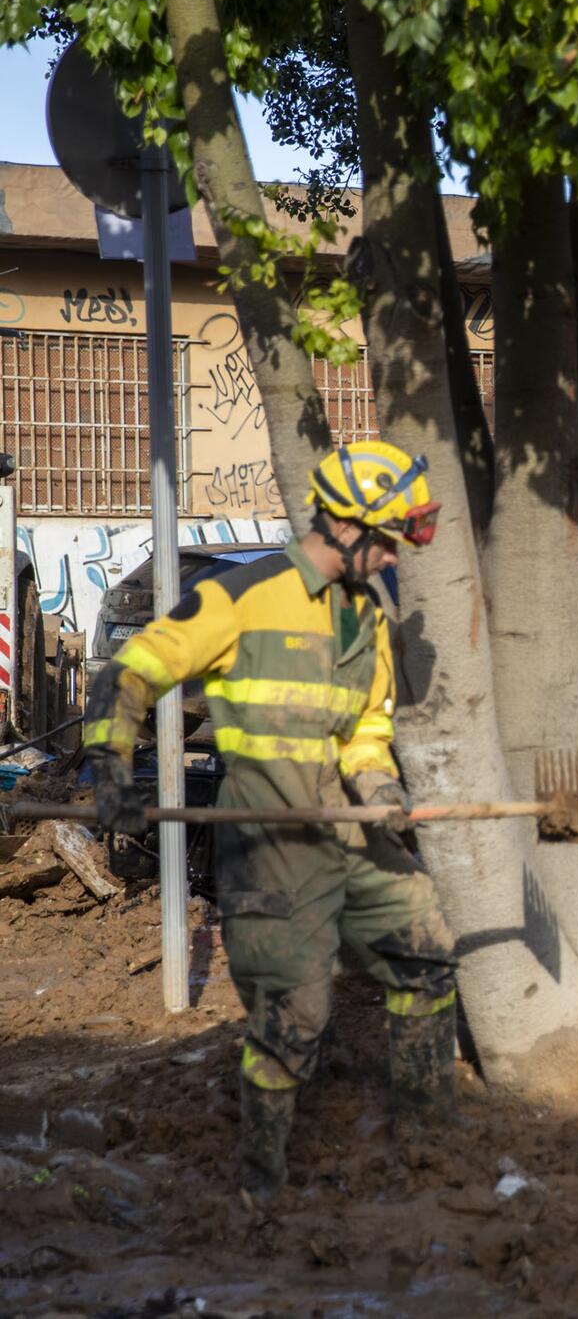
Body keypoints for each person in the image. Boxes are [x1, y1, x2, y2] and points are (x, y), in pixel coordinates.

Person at [81, 441, 457, 1201]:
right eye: (384, 544)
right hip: (266, 842)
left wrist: (383, 792)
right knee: (295, 1014)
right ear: (345, 529)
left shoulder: (367, 618)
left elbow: (364, 735)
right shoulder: (245, 597)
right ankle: (261, 1185)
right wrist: (112, 767)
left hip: (348, 834)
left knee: (425, 950)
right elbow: (133, 671)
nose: (389, 562)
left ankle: (432, 1146)